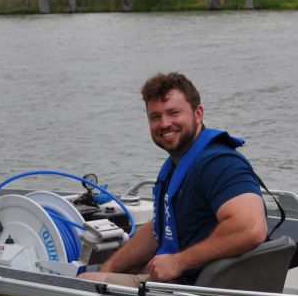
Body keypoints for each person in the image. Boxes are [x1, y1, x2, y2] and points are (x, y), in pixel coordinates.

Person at [80, 72, 267, 285]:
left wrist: (178, 262)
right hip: (180, 279)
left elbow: (251, 229)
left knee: (84, 282)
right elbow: (159, 228)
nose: (165, 123)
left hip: (195, 294)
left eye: (173, 113)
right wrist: (110, 267)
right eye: (155, 117)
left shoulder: (220, 164)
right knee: (99, 270)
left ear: (198, 113)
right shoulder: (178, 164)